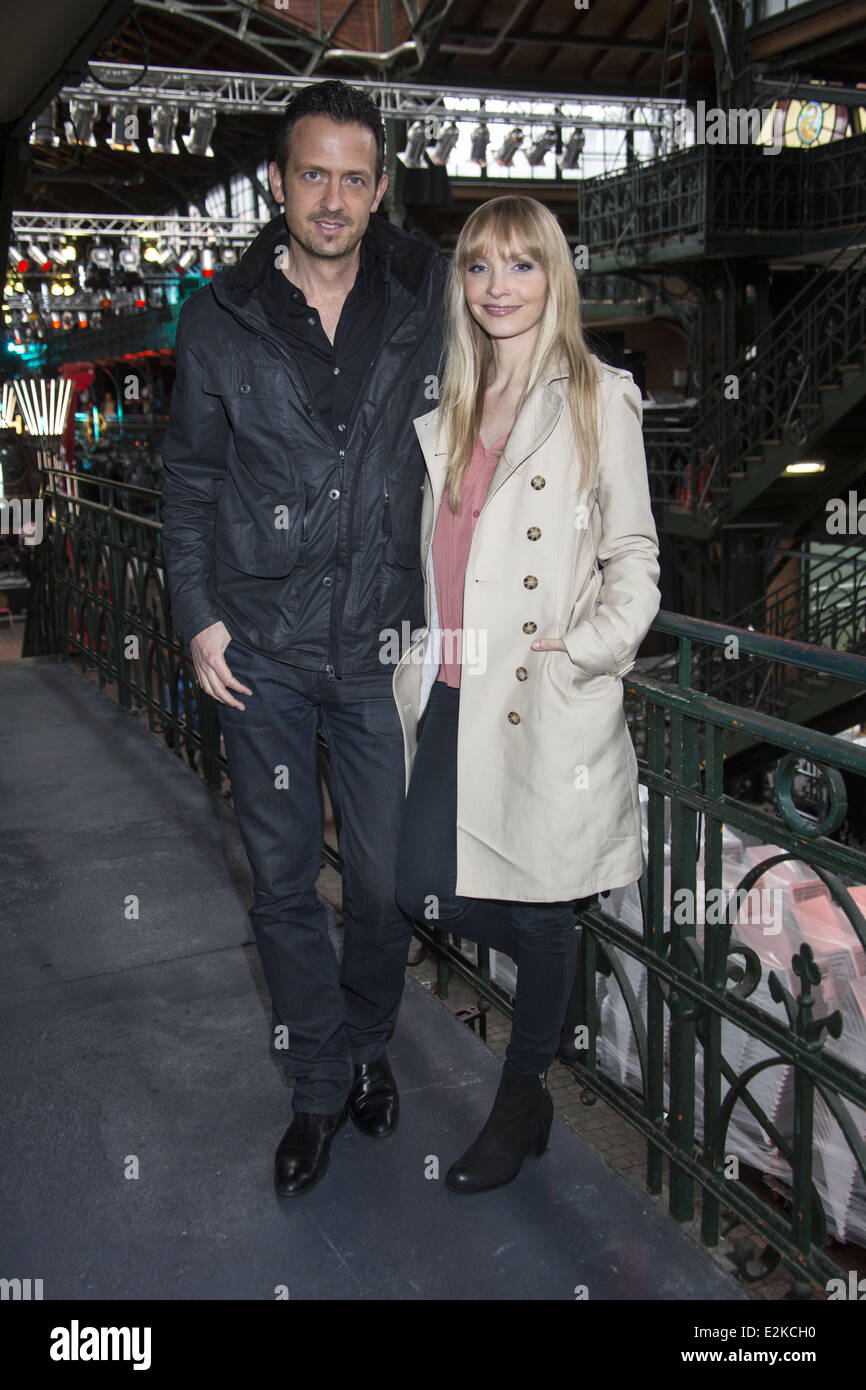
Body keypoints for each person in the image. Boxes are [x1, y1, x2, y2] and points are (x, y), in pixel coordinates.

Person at [161, 79, 448, 1197]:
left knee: (382, 886)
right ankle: (320, 1084)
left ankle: (370, 1039)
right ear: (278, 184)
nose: (331, 197)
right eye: (310, 173)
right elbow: (187, 478)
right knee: (283, 886)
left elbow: (521, 373)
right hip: (261, 656)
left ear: (379, 191)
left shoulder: (427, 298)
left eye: (353, 177)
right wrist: (195, 613)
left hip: (381, 648)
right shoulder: (218, 316)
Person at [393, 194, 661, 1194]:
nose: (496, 287)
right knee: (413, 883)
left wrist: (584, 651)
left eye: (518, 265)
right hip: (455, 690)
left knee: (544, 913)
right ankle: (549, 1015)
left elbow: (635, 559)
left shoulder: (598, 396)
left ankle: (518, 1104)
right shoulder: (451, 407)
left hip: (542, 705)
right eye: (476, 267)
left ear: (553, 276)